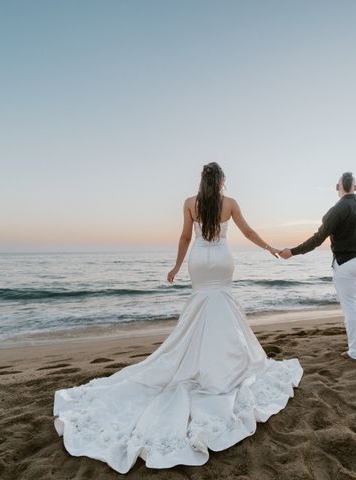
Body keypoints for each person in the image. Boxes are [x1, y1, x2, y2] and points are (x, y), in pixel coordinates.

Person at [53, 162, 303, 473]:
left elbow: (186, 238)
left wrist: (175, 267)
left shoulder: (189, 203)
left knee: (202, 304)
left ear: (202, 180)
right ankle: (223, 365)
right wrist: (270, 248)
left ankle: (198, 359)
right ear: (222, 181)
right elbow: (248, 231)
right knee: (221, 304)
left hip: (199, 260)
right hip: (222, 259)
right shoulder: (230, 204)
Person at [279, 172, 356, 362]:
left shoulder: (337, 209)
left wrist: (292, 252)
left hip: (345, 264)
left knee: (350, 306)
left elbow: (318, 239)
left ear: (338, 187)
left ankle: (355, 352)